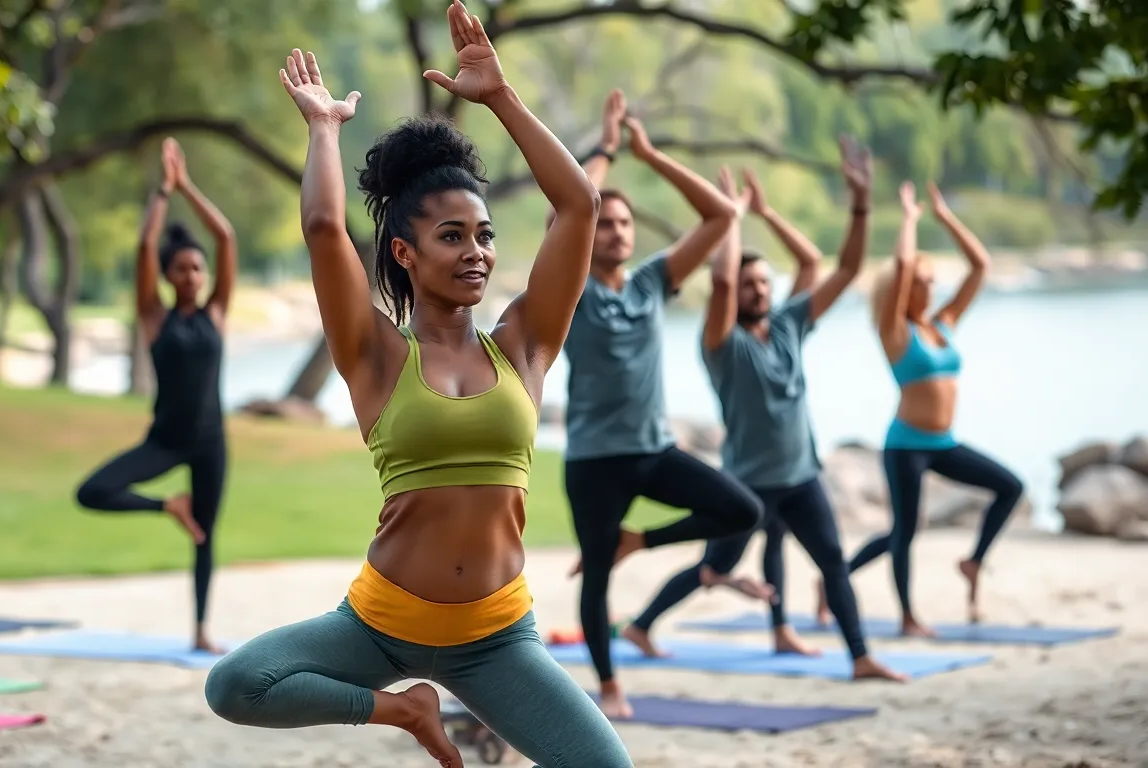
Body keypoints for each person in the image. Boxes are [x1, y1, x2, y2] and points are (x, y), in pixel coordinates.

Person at [205, 5, 633, 766]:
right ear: (404, 252)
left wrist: (501, 97)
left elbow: (579, 205)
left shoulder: (525, 345)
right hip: (380, 626)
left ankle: (434, 703)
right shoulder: (375, 357)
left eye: (485, 236)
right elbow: (323, 229)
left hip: (496, 637)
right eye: (452, 236)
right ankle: (406, 709)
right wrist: (324, 129)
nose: (477, 252)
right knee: (237, 684)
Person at [624, 144, 905, 683]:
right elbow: (722, 282)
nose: (756, 290)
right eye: (747, 284)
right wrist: (730, 219)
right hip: (748, 484)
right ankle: (640, 624)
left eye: (763, 283)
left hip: (800, 478)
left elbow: (845, 268)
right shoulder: (720, 344)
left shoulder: (789, 324)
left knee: (832, 561)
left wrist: (861, 203)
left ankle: (860, 656)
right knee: (715, 567)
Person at [558, 90, 761, 718]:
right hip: (594, 459)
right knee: (596, 577)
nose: (617, 231)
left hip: (652, 450)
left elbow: (721, 215)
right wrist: (607, 148)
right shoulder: (569, 286)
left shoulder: (651, 282)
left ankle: (637, 541)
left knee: (742, 511)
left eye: (624, 223)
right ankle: (609, 686)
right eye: (605, 223)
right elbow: (572, 204)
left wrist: (650, 155)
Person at [73, 137, 236, 654]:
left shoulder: (217, 313)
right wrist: (164, 193)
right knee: (91, 491)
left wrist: (187, 186)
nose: (191, 276)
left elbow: (225, 236)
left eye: (197, 268)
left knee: (205, 536)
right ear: (167, 276)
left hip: (210, 442)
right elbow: (145, 247)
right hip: (164, 440)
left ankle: (201, 630)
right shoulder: (153, 317)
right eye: (181, 268)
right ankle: (169, 505)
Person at [845, 181, 1023, 634]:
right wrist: (909, 219)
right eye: (920, 282)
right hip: (906, 446)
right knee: (905, 533)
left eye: (930, 281)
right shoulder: (894, 332)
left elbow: (980, 266)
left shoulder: (943, 324)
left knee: (1009, 486)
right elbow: (903, 264)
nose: (929, 286)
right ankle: (903, 614)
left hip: (943, 444)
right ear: (902, 289)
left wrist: (945, 218)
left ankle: (973, 561)